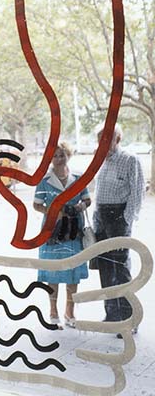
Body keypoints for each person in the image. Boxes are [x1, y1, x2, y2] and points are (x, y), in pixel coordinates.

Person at [33, 142, 91, 329]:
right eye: (55, 156)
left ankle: (70, 311)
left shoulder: (79, 177)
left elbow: (87, 200)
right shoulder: (44, 180)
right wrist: (53, 211)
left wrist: (78, 208)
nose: (59, 159)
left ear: (68, 155)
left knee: (72, 272)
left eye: (62, 155)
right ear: (50, 158)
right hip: (53, 231)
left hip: (74, 230)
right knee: (53, 271)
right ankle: (53, 310)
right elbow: (36, 204)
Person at [93, 127, 145, 335]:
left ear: (118, 138)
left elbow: (138, 191)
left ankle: (129, 318)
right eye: (100, 139)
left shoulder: (129, 159)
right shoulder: (100, 162)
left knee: (121, 268)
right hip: (102, 218)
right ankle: (112, 315)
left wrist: (126, 219)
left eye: (108, 138)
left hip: (119, 216)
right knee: (105, 267)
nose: (103, 142)